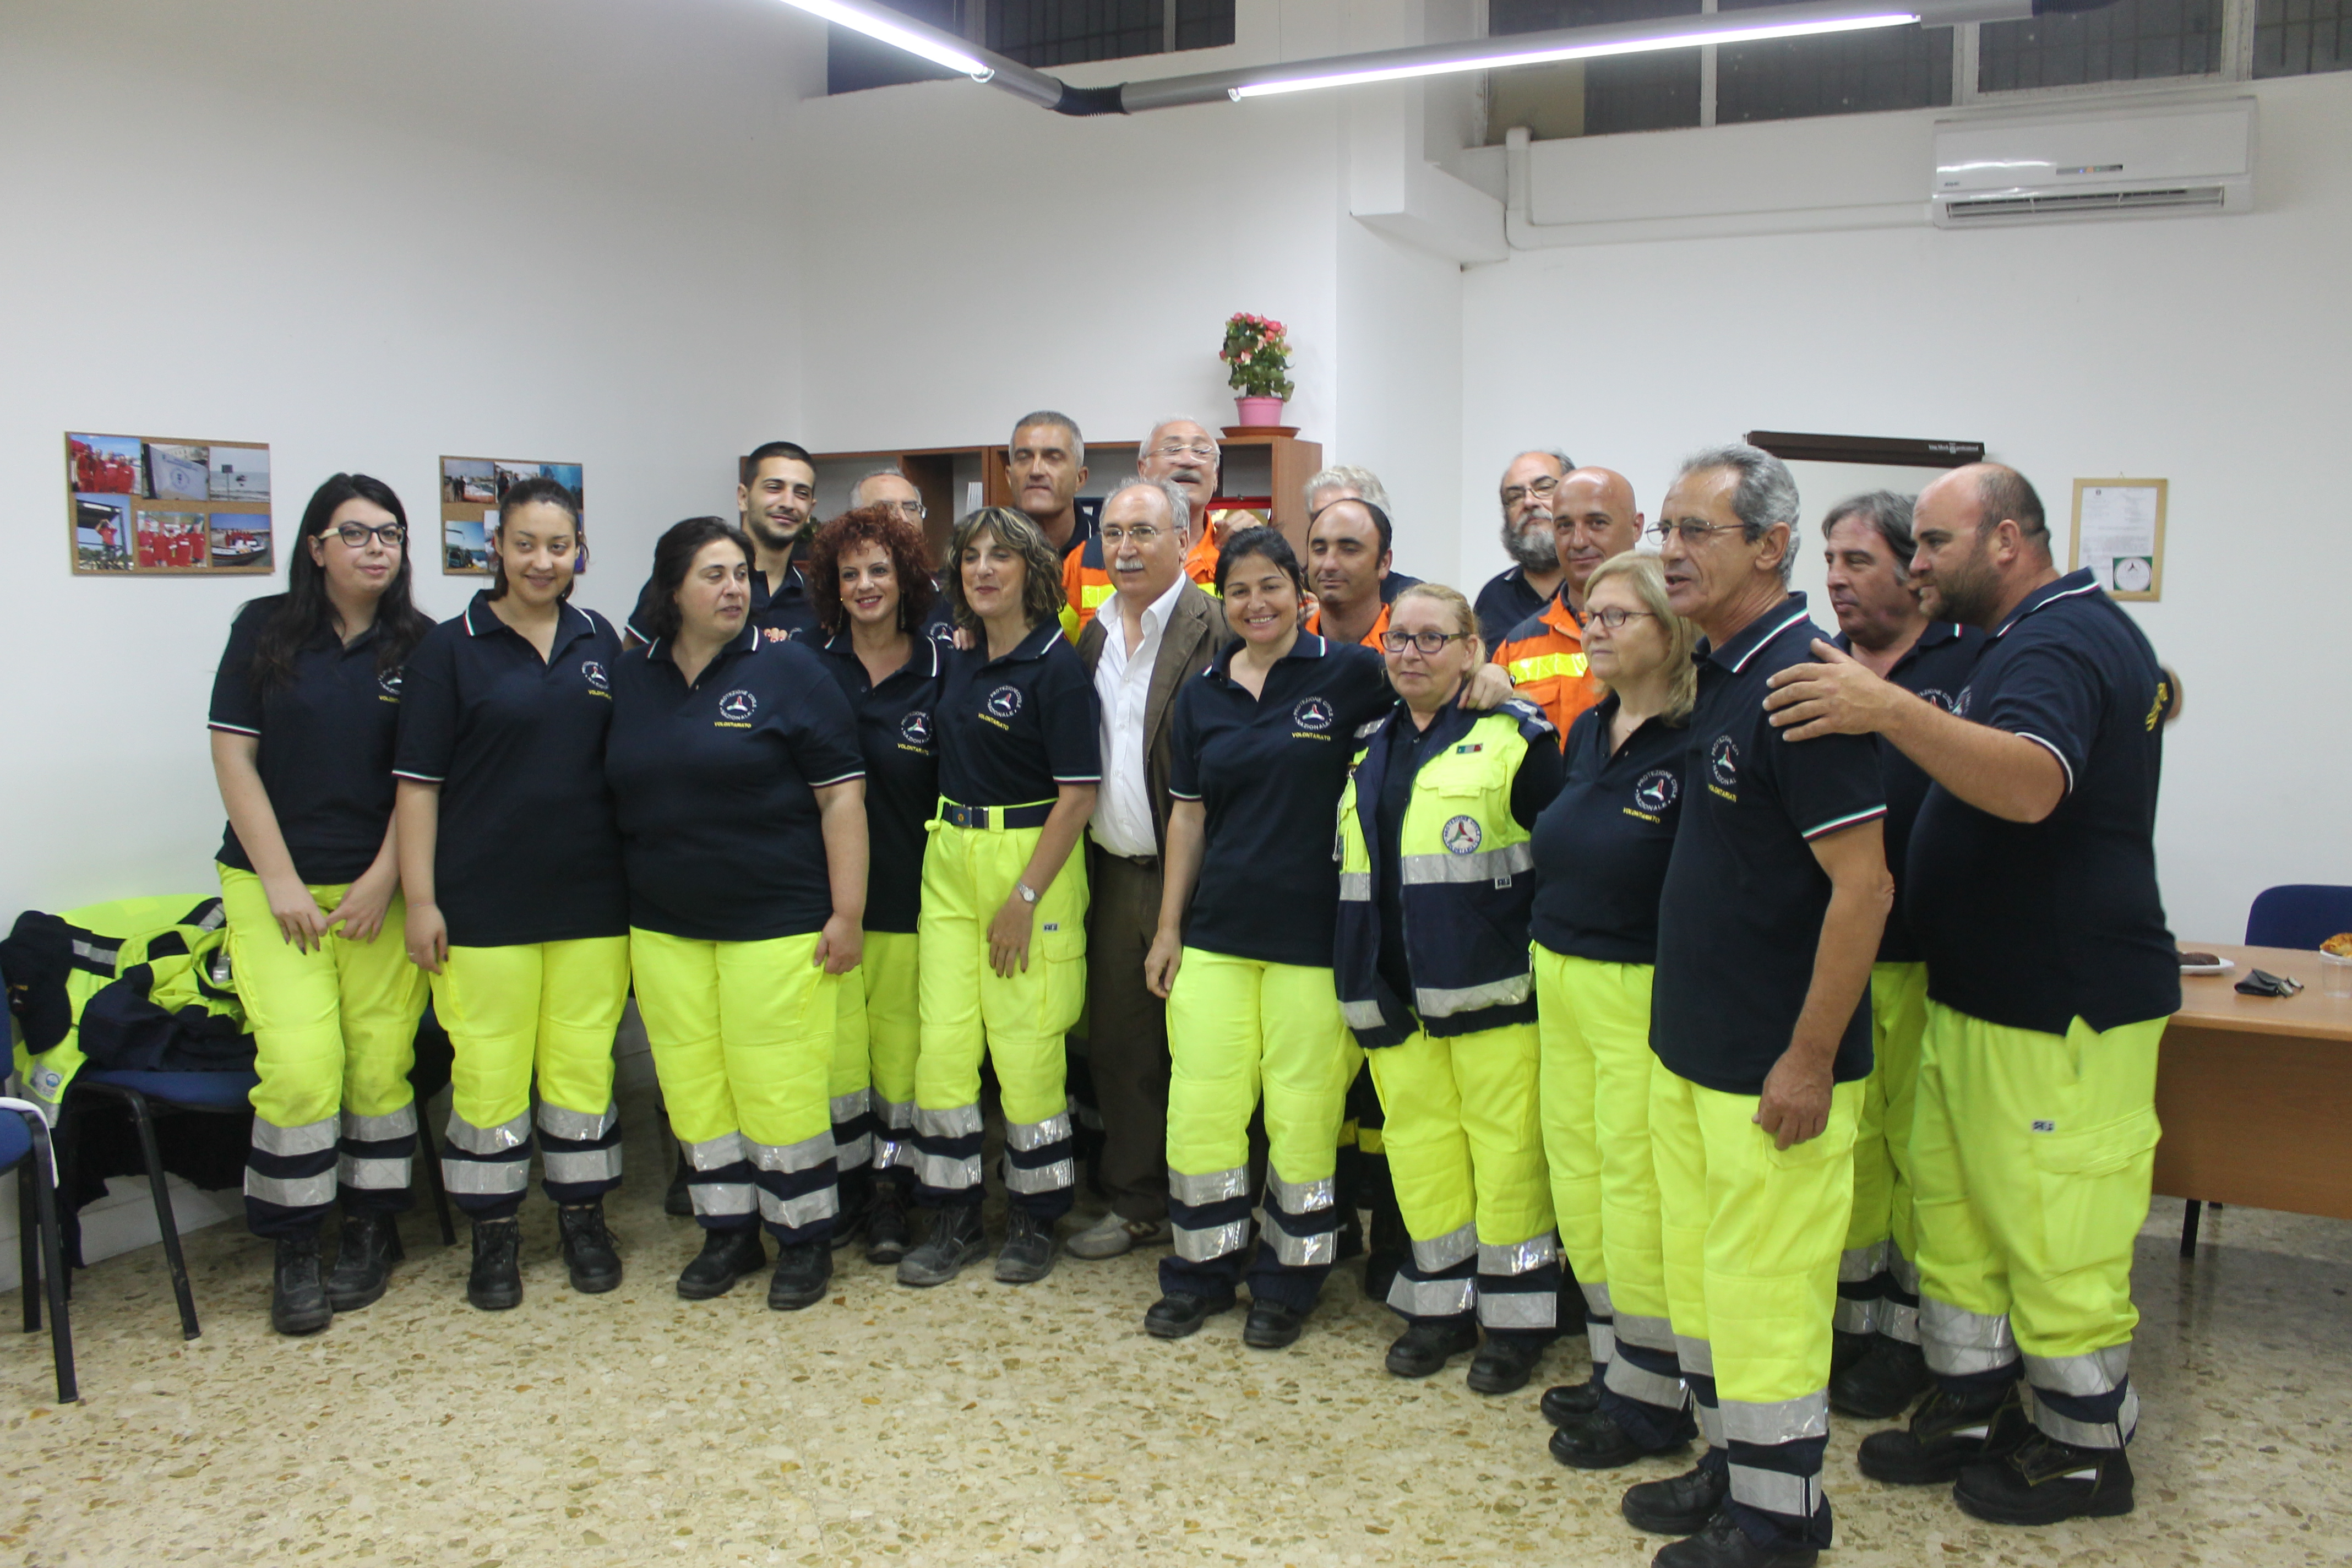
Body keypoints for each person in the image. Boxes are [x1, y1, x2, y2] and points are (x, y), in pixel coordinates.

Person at [1763, 464, 2175, 1528]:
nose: (1916, 565)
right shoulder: (2017, 638)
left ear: (2005, 540)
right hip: (1980, 993)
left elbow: (2030, 784)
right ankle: (1972, 1400)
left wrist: (1886, 707)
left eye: (1933, 544)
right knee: (1958, 1218)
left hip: (2059, 1003)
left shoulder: (2058, 639)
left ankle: (2083, 1449)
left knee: (2051, 1226)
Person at [1627, 444, 1891, 1568]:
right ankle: (1734, 1467)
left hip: (1772, 1069)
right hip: (1698, 1050)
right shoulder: (1725, 668)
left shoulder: (1804, 684)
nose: (1671, 552)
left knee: (1767, 1293)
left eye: (1697, 531)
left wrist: (1810, 1056)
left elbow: (1863, 887)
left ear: (1771, 546)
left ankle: (1782, 1521)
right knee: (1707, 1282)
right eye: (1667, 528)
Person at [606, 518, 869, 1309]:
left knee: (777, 1083)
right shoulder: (632, 676)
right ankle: (727, 1232)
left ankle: (803, 1237)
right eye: (713, 575)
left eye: (741, 576)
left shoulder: (790, 669)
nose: (733, 590)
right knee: (695, 1085)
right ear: (670, 590)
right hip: (664, 924)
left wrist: (848, 911)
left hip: (776, 920)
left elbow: (842, 798)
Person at [1134, 525, 1389, 1343]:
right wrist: (1168, 929)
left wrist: (1486, 677)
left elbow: (1431, 709)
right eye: (1238, 591)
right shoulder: (1204, 692)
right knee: (1202, 1107)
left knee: (1303, 1114)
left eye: (1271, 586)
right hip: (1216, 934)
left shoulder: (1351, 675)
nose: (1256, 604)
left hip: (1313, 941)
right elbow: (1188, 817)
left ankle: (1288, 1281)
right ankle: (1200, 1272)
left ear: (1301, 595)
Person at [394, 476, 633, 1311]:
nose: (542, 561)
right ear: (494, 547)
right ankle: (493, 1234)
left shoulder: (601, 639)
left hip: (591, 903)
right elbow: (417, 787)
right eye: (525, 544)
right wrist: (420, 900)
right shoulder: (448, 649)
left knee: (582, 1068)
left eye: (558, 546)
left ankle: (583, 1218)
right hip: (481, 904)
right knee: (490, 1076)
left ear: (579, 554)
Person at [209, 473, 434, 1336]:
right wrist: (280, 882)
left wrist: (386, 879)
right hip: (274, 886)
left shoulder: (422, 645)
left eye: (391, 534)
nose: (378, 548)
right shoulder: (264, 629)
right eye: (357, 533)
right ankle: (295, 1242)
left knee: (379, 1066)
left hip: (381, 887)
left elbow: (423, 780)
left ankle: (371, 1231)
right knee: (302, 1066)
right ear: (316, 547)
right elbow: (234, 756)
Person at [1335, 583, 1567, 1394]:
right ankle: (1438, 1309)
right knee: (1422, 1155)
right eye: (1398, 639)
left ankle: (1515, 1323)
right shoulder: (1370, 744)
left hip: (1491, 994)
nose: (1411, 653)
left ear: (1473, 649)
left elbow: (1561, 869)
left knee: (1509, 1160)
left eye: (1432, 639)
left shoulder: (1518, 739)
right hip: (1393, 997)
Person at [1808, 492, 1987, 1423]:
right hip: (1835, 951)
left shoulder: (1972, 658)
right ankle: (1851, 1317)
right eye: (1829, 561)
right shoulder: (1809, 662)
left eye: (1858, 560)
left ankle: (1909, 1334)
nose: (1836, 578)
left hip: (1932, 953)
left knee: (1921, 1148)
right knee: (1849, 1145)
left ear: (1913, 570)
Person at [1527, 553, 1705, 1469]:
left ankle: (1656, 1398)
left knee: (1636, 1192)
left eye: (1616, 617)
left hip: (1640, 986)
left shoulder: (1696, 738)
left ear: (1671, 632)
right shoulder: (1591, 729)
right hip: (1562, 976)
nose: (1592, 630)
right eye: (1589, 615)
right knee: (1581, 1179)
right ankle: (1616, 1367)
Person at [899, 507, 1100, 1288]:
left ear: (1034, 571)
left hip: (1030, 863)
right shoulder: (957, 654)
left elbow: (1077, 798)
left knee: (1026, 1049)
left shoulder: (1056, 666)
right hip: (951, 854)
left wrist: (1023, 896)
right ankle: (952, 1217)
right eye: (971, 557)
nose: (984, 570)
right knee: (944, 1047)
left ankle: (1034, 1217)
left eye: (1002, 557)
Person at [1057, 477, 1233, 1265]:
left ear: (1185, 540)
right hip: (1112, 873)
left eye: (1144, 532)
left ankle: (1222, 1208)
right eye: (1114, 534)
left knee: (1206, 1053)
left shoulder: (1218, 629)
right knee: (1123, 1050)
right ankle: (1136, 1203)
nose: (1125, 549)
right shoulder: (1089, 634)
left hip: (1199, 875)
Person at [1493, 467, 1646, 745]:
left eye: (1597, 523)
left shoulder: (1670, 629)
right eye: (1564, 526)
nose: (1578, 542)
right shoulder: (1518, 645)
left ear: (1636, 527)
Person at [625, 440, 821, 648]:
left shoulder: (817, 597)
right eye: (774, 488)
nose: (788, 503)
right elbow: (633, 660)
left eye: (801, 493)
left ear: (810, 510)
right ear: (743, 498)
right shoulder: (686, 581)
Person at [1065, 418, 1226, 625]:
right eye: (1173, 449)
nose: (1188, 460)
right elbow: (1066, 642)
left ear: (1216, 477)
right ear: (1143, 469)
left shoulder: (1235, 556)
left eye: (1201, 451)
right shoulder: (1088, 558)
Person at [1474, 448, 1574, 646]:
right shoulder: (1493, 598)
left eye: (1544, 488)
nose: (1529, 502)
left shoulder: (1601, 587)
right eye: (1515, 497)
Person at [1008, 411, 1093, 559]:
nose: (1036, 471)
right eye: (1024, 458)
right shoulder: (982, 548)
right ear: (1009, 477)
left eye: (1053, 458)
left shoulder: (1108, 546)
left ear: (1080, 479)